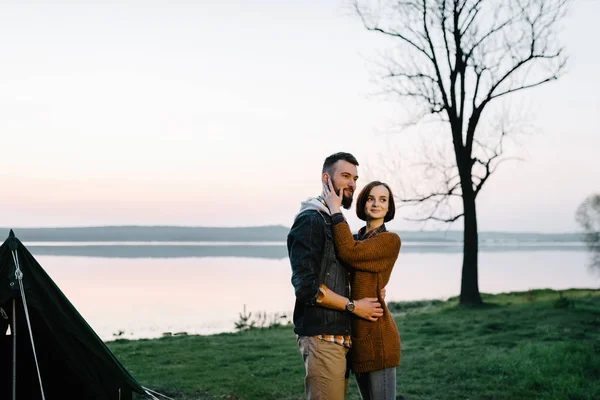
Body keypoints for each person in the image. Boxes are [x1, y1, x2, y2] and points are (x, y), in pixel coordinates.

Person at [288, 152, 385, 400]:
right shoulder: (311, 220)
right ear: (326, 179)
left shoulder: (334, 221)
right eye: (345, 176)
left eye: (355, 178)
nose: (352, 183)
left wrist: (370, 289)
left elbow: (341, 272)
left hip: (341, 337)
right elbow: (307, 288)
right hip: (321, 336)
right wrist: (354, 306)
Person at [323, 179, 402, 400]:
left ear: (389, 207)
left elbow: (350, 253)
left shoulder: (389, 240)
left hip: (378, 338)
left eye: (383, 199)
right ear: (362, 203)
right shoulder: (355, 239)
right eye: (370, 198)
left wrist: (335, 210)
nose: (376, 204)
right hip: (356, 336)